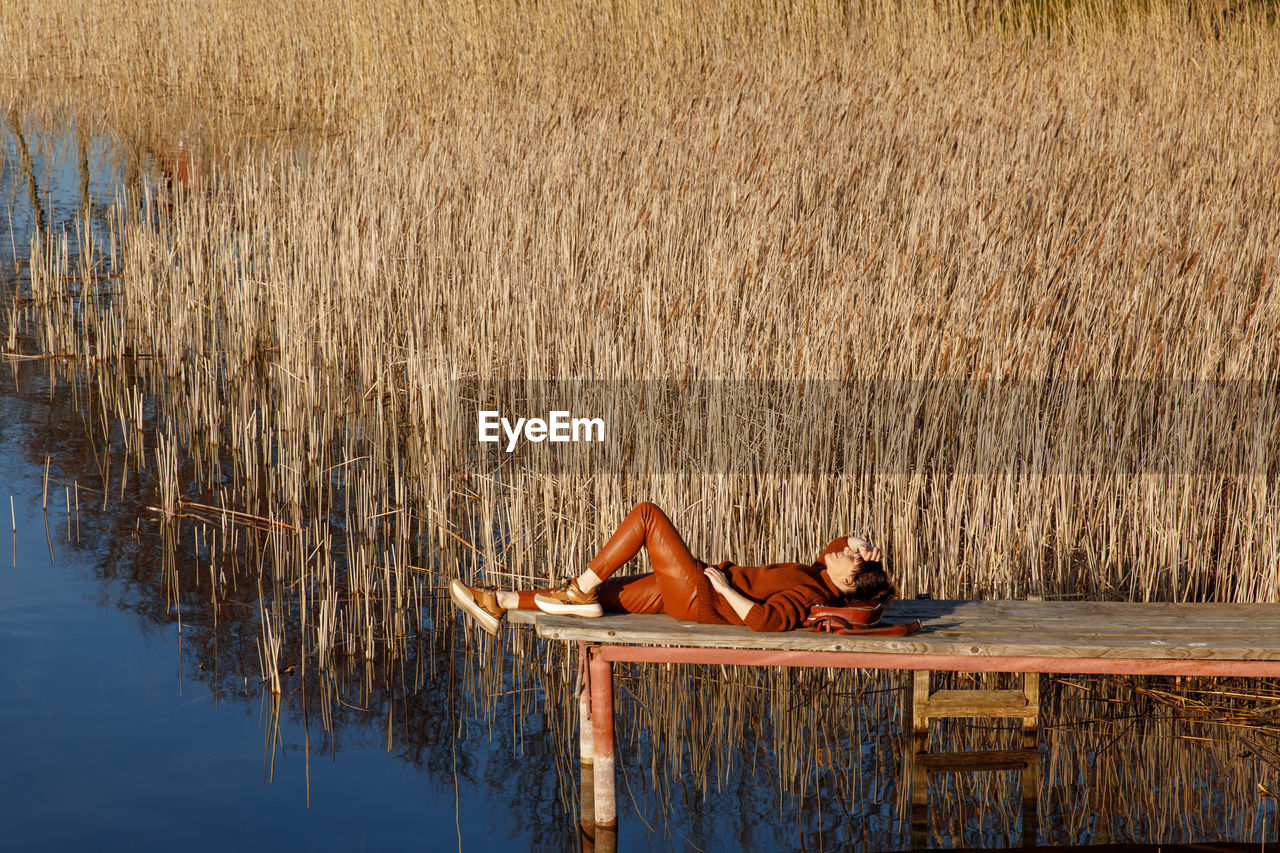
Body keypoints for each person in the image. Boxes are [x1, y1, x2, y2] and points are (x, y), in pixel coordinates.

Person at [449, 502, 895, 636]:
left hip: (701, 595)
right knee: (607, 599)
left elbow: (766, 621)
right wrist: (856, 542)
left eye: (850, 558)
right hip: (696, 592)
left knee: (647, 517)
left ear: (848, 580)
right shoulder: (819, 578)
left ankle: (578, 590)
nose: (841, 550)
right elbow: (830, 553)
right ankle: (499, 602)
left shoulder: (808, 593)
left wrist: (726, 588)